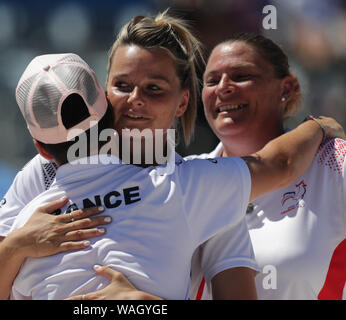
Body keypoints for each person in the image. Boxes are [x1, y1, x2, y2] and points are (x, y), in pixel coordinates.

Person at [0, 12, 343, 299]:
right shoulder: (45, 172)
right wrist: (13, 244)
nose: (135, 100)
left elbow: (278, 166)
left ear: (182, 102)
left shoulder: (204, 185)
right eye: (122, 86)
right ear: (103, 93)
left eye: (154, 89)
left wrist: (143, 303)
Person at [70, 33, 346, 300]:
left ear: (285, 88)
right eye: (212, 80)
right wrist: (23, 242)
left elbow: (278, 164)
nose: (224, 87)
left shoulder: (336, 163)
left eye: (241, 76)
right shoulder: (181, 176)